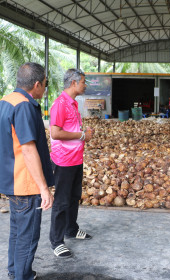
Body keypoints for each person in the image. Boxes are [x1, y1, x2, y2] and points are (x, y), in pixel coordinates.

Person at [0, 62, 54, 280]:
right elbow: (28, 148)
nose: (45, 89)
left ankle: (15, 272)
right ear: (36, 84)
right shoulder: (24, 105)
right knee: (28, 236)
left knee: (17, 231)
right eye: (45, 84)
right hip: (26, 183)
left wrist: (2, 160)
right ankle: (22, 276)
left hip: (12, 181)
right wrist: (44, 188)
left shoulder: (4, 102)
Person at [49, 69, 94, 258]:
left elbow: (69, 128)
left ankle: (71, 229)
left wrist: (82, 133)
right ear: (74, 83)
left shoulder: (73, 104)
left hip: (76, 159)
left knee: (74, 196)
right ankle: (57, 241)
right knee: (61, 201)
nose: (85, 85)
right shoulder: (60, 104)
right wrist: (82, 135)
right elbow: (55, 133)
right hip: (64, 161)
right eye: (83, 81)